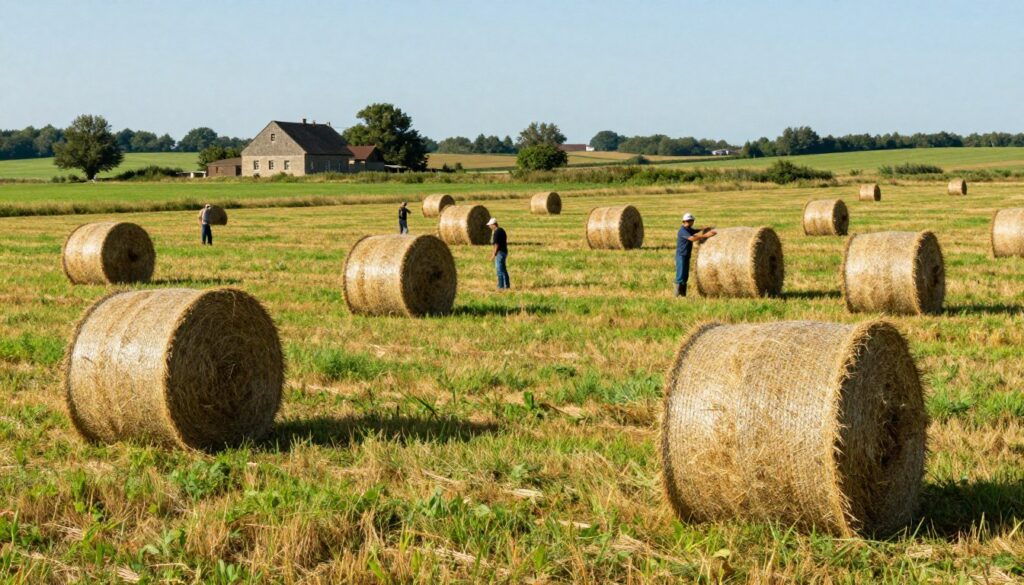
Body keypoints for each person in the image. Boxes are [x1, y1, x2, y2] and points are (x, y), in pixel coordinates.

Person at [675, 212, 716, 296]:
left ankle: (682, 295)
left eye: (690, 221)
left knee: (685, 275)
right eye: (688, 221)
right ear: (684, 222)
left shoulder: (688, 229)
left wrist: (705, 229)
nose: (689, 222)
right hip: (681, 255)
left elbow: (695, 231)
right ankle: (677, 295)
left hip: (686, 255)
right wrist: (706, 235)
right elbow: (692, 238)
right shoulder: (682, 231)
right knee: (680, 275)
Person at [487, 217, 510, 290]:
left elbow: (496, 245)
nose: (489, 227)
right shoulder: (502, 230)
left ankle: (501, 286)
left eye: (490, 225)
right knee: (504, 270)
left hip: (499, 253)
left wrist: (493, 254)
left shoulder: (496, 232)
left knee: (499, 270)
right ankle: (507, 285)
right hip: (504, 252)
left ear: (494, 224)